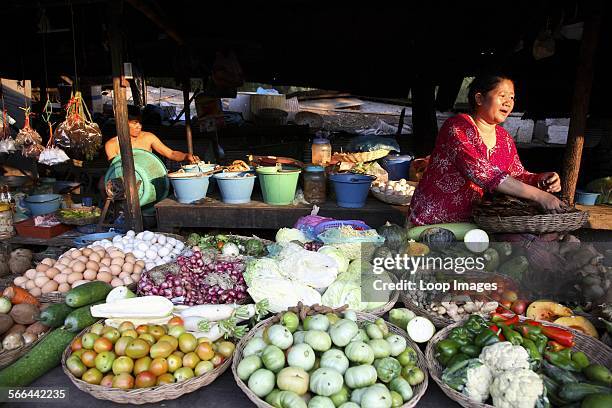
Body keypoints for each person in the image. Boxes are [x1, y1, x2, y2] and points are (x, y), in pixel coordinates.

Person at [409, 74, 563, 226]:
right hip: (432, 221)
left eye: (512, 97)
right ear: (479, 99)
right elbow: (484, 173)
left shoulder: (505, 139)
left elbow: (516, 175)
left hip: (475, 223)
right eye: (502, 96)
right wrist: (540, 196)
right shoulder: (457, 127)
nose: (508, 102)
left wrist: (541, 180)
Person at [104, 106, 199, 163]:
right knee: (102, 185)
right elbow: (115, 168)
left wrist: (186, 156)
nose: (139, 126)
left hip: (149, 176)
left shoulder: (148, 137)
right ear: (123, 123)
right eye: (134, 122)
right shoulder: (112, 144)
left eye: (140, 123)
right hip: (124, 180)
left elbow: (171, 153)